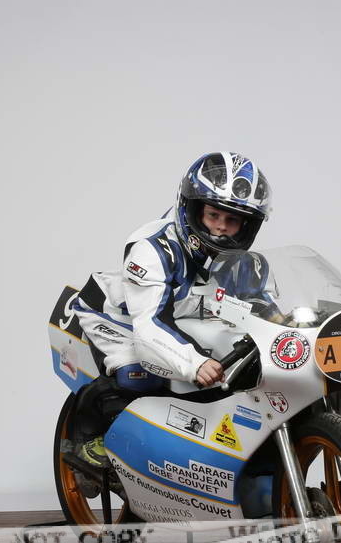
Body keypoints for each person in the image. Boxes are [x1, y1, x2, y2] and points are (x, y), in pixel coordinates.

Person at [68, 151, 271, 469]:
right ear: (192, 209)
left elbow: (264, 309)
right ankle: (87, 432)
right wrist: (194, 363)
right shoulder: (153, 249)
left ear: (247, 226)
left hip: (182, 316)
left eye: (232, 221)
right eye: (213, 215)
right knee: (140, 374)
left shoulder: (246, 264)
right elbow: (149, 327)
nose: (220, 228)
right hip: (118, 315)